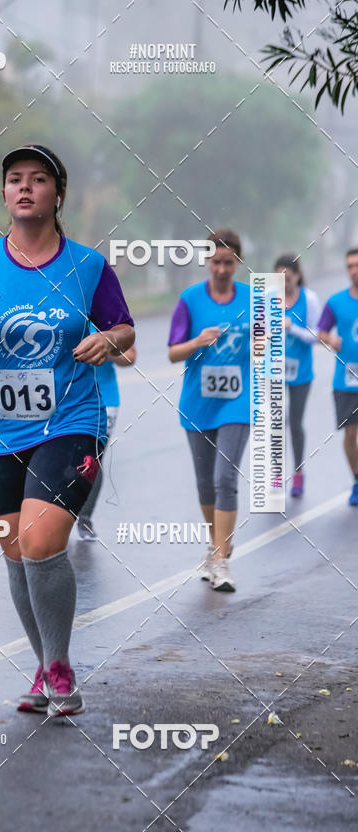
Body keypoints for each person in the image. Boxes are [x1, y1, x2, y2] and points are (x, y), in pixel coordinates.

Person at [0, 144, 135, 716]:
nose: (25, 187)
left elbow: (125, 331)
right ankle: (44, 664)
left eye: (38, 179)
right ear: (3, 194)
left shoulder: (88, 266)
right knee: (16, 552)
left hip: (73, 419)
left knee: (42, 540)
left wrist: (109, 340)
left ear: (57, 193)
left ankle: (60, 669)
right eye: (14, 179)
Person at [167, 229, 251, 593]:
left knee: (224, 479)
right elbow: (172, 352)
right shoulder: (189, 299)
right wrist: (196, 342)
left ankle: (221, 560)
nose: (221, 268)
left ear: (238, 263)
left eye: (228, 262)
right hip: (198, 403)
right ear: (206, 261)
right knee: (205, 483)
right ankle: (215, 546)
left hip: (238, 401)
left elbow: (267, 348)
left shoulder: (253, 299)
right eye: (215, 261)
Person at [77, 335, 137, 541]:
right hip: (61, 400)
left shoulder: (104, 310)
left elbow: (130, 357)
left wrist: (107, 349)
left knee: (92, 459)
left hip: (104, 399)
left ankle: (84, 516)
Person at [274, 255, 321, 497]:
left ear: (297, 275)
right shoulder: (271, 298)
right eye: (280, 278)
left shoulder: (309, 298)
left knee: (295, 423)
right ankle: (275, 476)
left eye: (288, 278)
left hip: (301, 372)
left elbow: (317, 335)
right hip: (275, 370)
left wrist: (293, 327)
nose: (284, 283)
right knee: (275, 423)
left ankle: (299, 473)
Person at [317, 247, 358, 506]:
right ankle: (356, 481)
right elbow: (321, 332)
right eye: (350, 266)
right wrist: (330, 339)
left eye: (357, 265)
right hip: (346, 381)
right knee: (350, 436)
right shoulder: (335, 302)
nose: (354, 270)